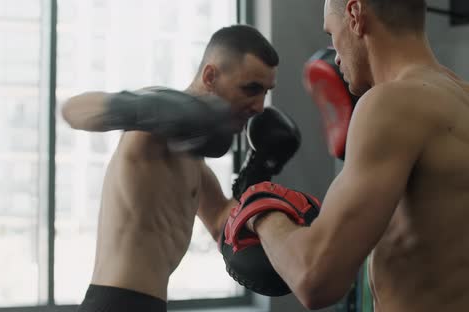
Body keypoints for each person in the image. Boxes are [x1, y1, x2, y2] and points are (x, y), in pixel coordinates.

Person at [221, 0, 469, 310]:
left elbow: (315, 279)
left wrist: (258, 206)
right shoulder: (460, 97)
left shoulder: (391, 103)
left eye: (331, 34)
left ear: (354, 15)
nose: (335, 54)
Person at [61, 25, 299, 312]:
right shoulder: (157, 119)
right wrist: (144, 109)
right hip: (115, 302)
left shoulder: (192, 155)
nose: (260, 107)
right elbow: (74, 110)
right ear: (210, 76)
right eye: (251, 89)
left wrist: (258, 172)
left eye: (265, 92)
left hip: (148, 304)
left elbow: (220, 221)